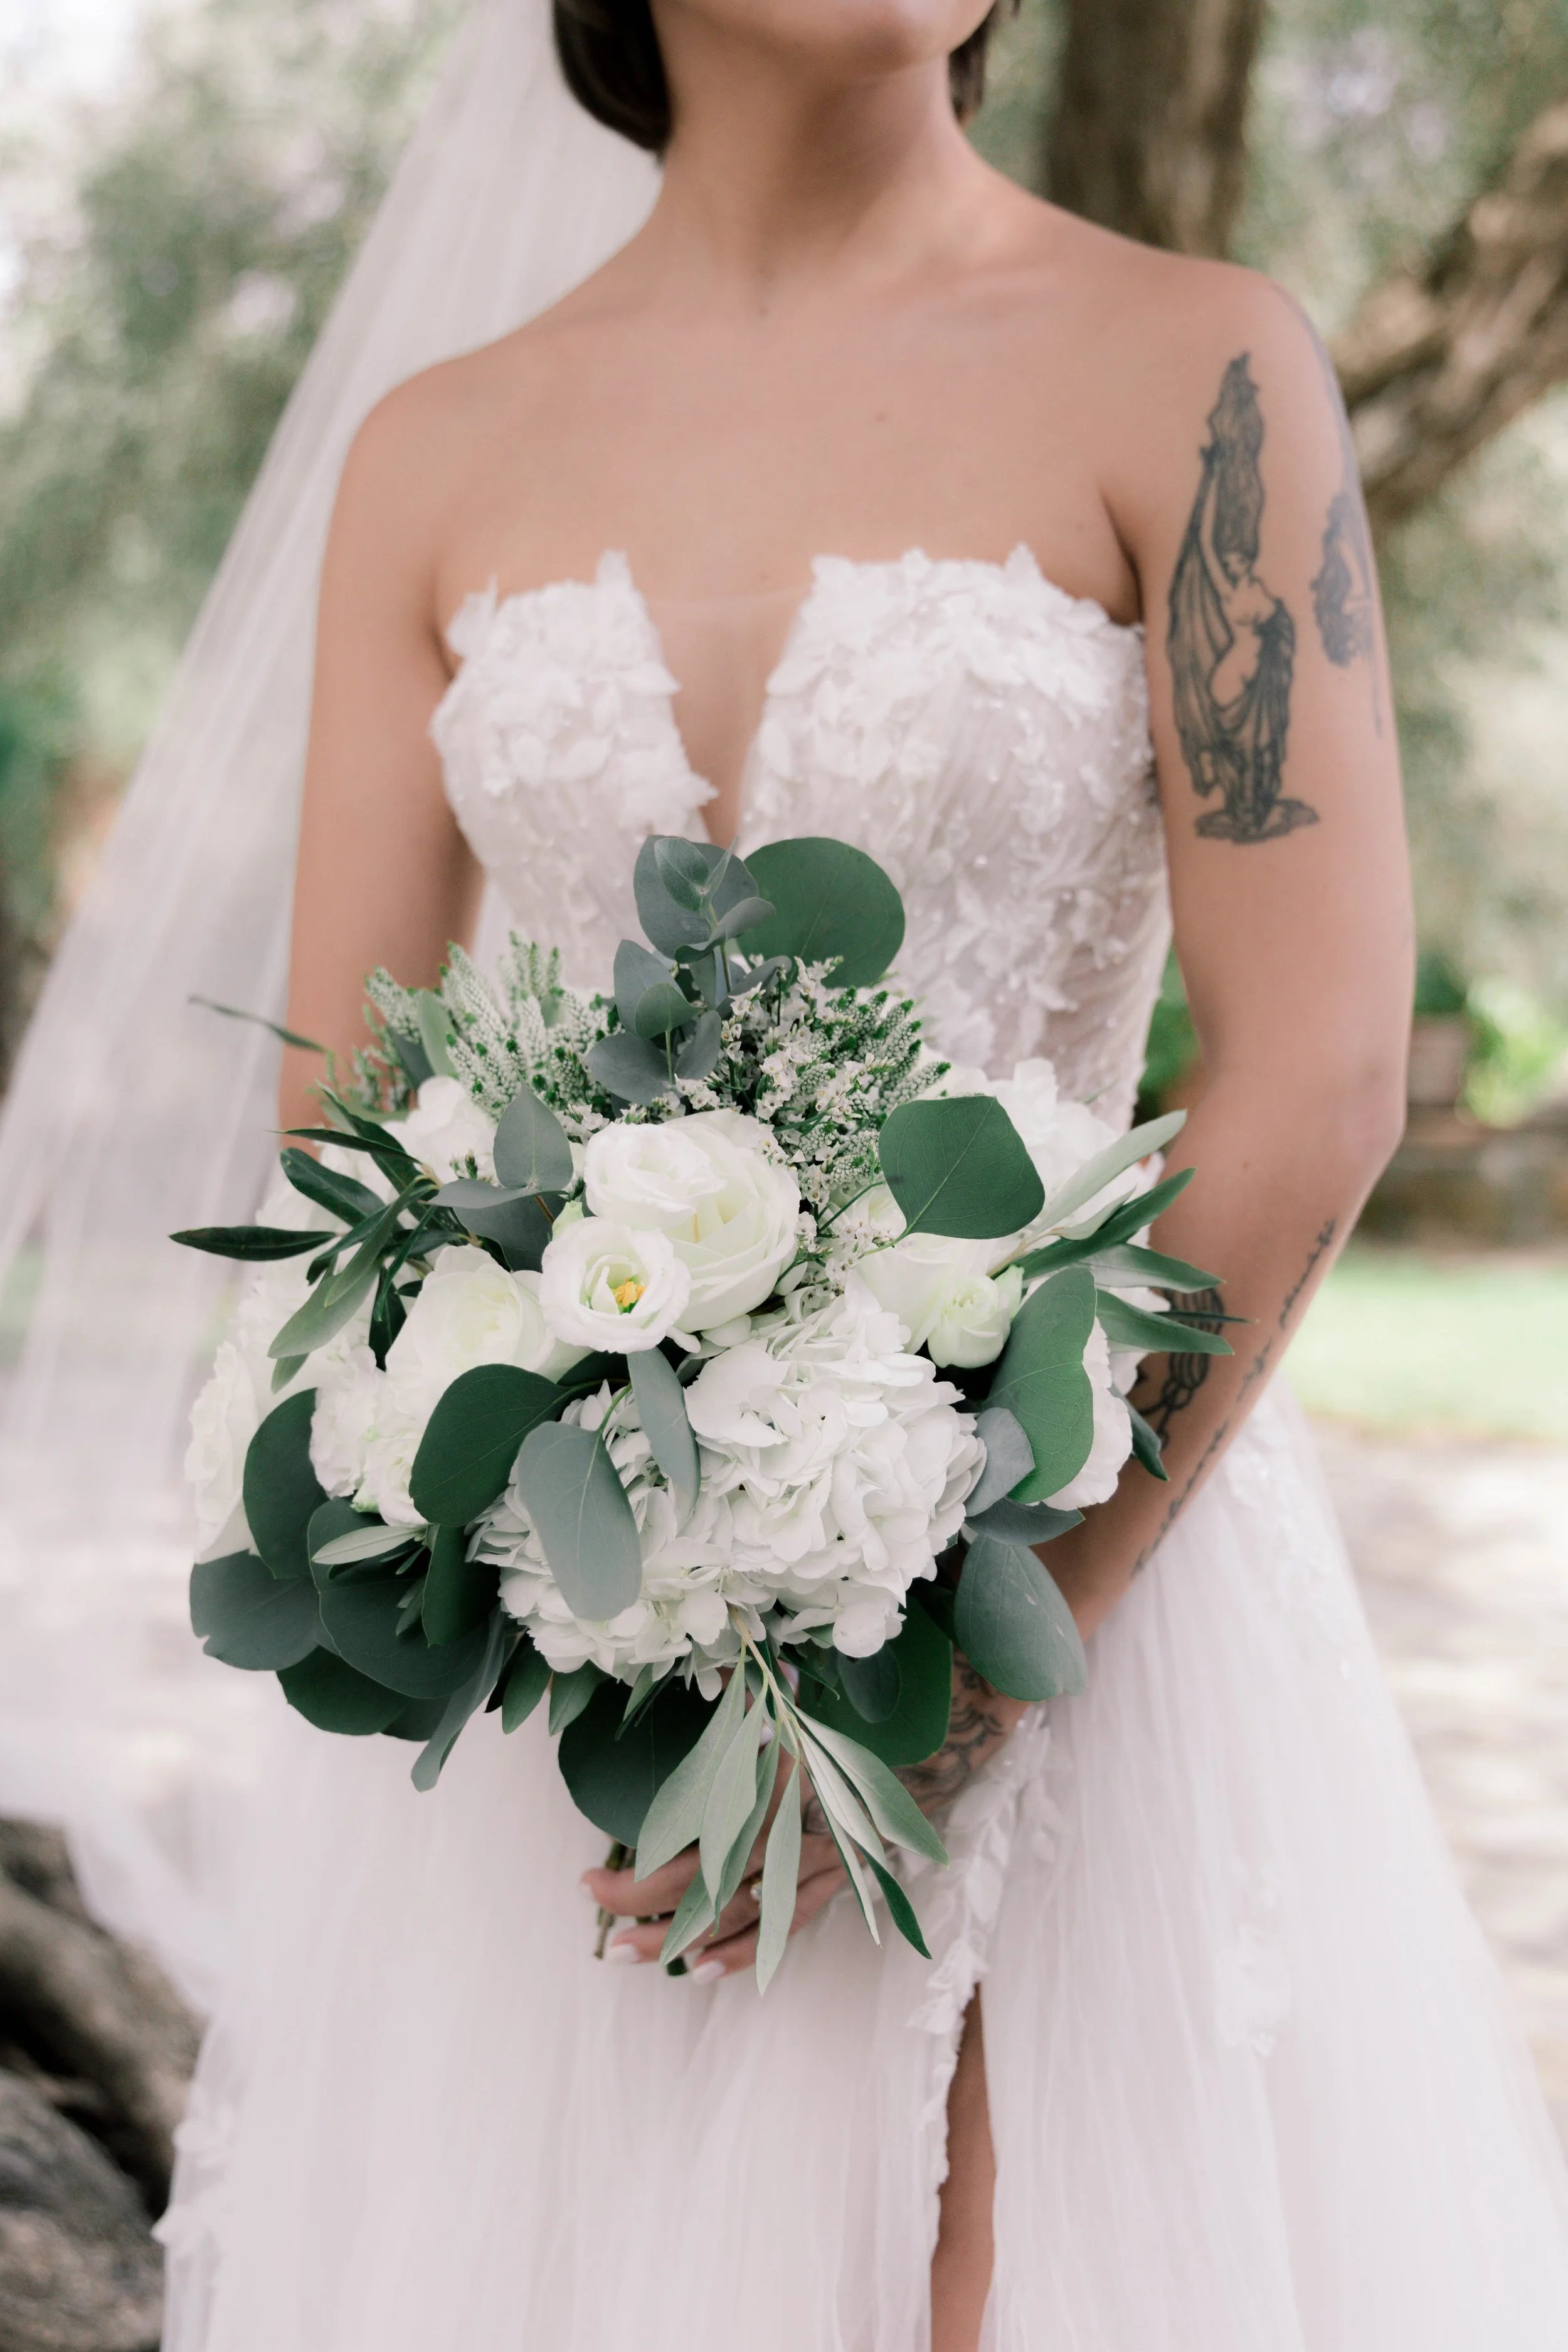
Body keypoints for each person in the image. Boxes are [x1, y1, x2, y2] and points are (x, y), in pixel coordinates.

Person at [53, 0, 1565, 2344]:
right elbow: (345, 1125)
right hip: (586, 1657)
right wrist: (567, 1538)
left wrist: (949, 1693)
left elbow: (1324, 1073)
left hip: (1095, 1603)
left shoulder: (1196, 367)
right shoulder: (434, 453)